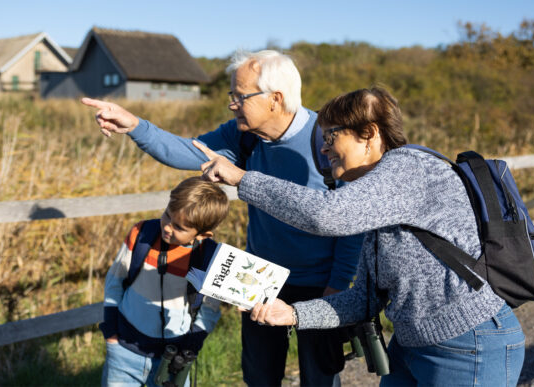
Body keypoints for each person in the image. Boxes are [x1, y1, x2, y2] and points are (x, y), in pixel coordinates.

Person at [195, 87, 526, 386]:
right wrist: (293, 313)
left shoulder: (408, 167)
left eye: (330, 137)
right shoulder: (379, 201)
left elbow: (327, 215)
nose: (324, 150)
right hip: (410, 347)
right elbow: (364, 299)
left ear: (369, 133)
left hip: (469, 344)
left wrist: (242, 179)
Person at [83, 50, 363, 386]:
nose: (232, 104)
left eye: (239, 96)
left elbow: (351, 221)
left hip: (320, 283)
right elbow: (186, 151)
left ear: (275, 99)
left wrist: (337, 286)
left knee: (320, 379)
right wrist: (135, 126)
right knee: (260, 377)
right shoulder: (243, 135)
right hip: (260, 282)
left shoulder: (327, 142)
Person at [100, 177, 230, 387]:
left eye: (178, 226)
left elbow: (209, 309)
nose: (168, 227)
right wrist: (111, 334)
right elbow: (115, 282)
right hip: (124, 351)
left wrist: (190, 348)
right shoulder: (142, 234)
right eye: (167, 215)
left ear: (203, 235)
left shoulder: (209, 259)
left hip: (174, 359)